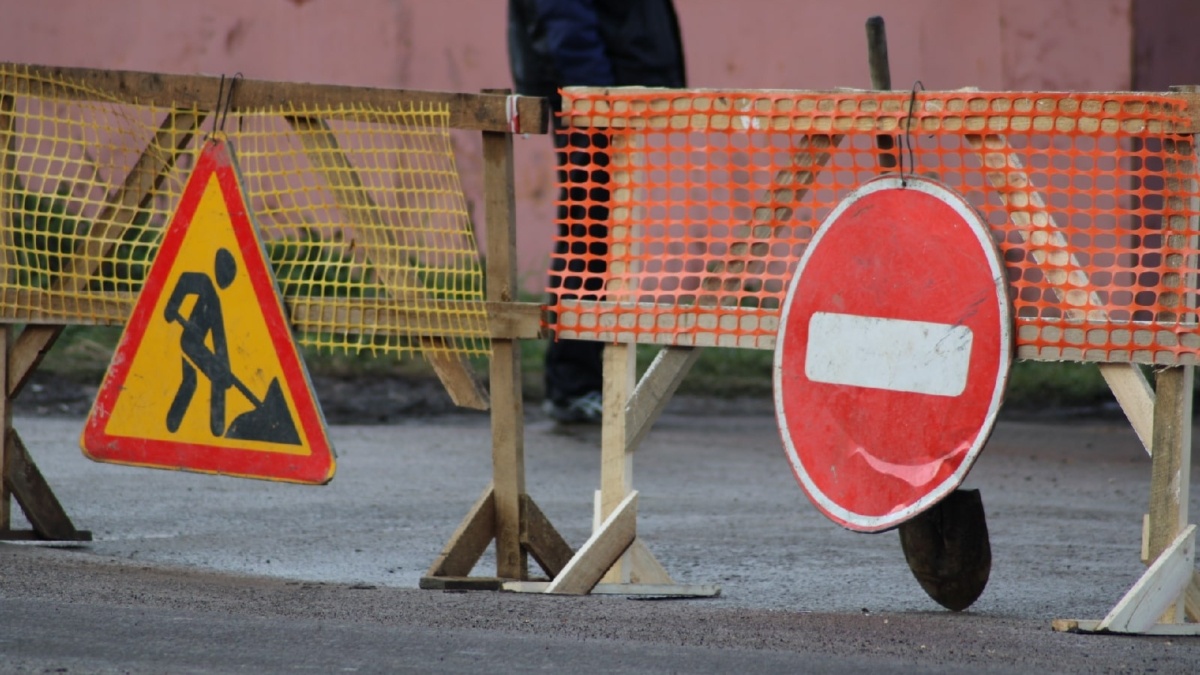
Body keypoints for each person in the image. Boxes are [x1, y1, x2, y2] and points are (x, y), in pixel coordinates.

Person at [507, 0, 687, 424]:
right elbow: (565, 22)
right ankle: (574, 384)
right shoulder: (592, 98)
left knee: (597, 237)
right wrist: (597, 101)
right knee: (588, 236)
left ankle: (586, 381)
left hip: (601, 103)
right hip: (594, 106)